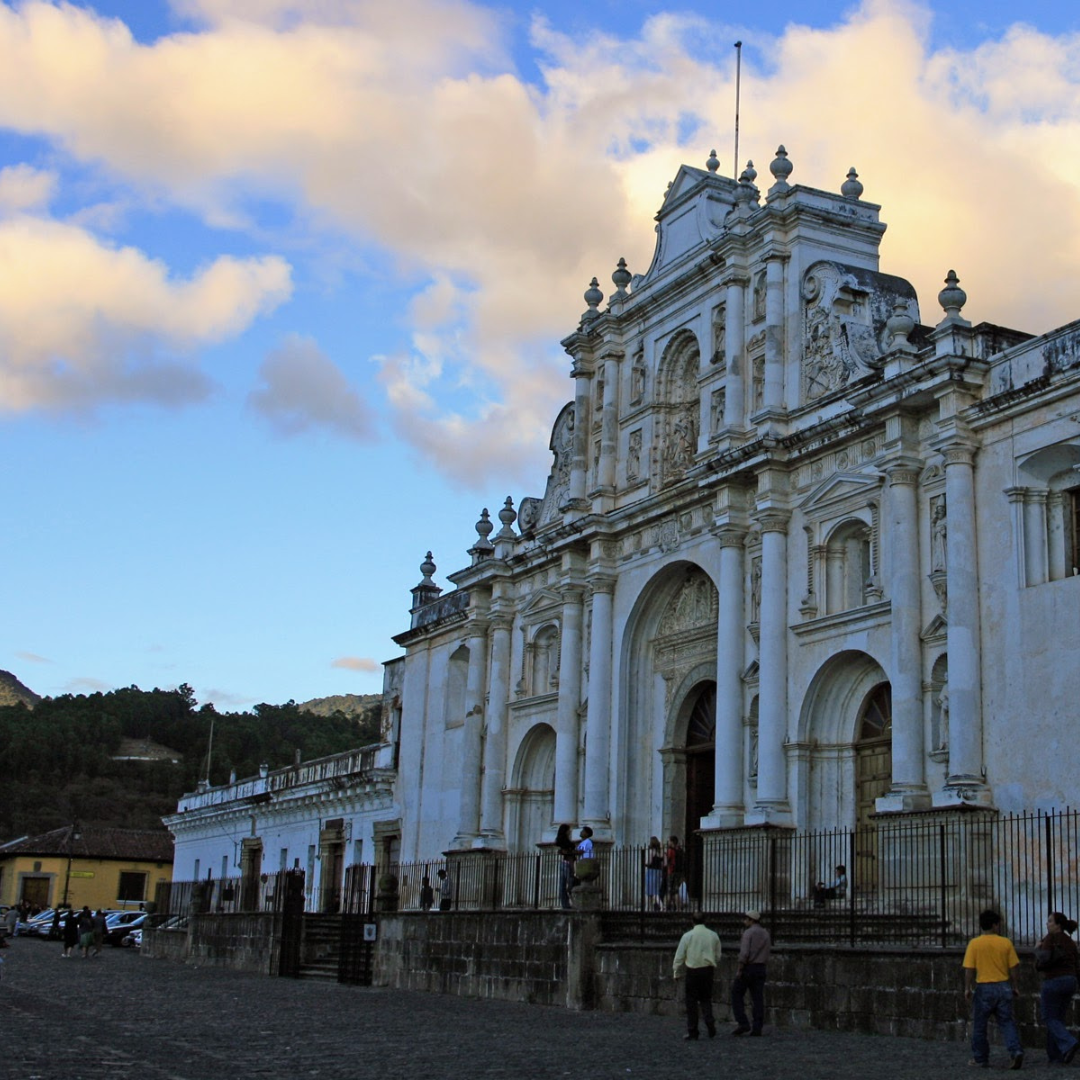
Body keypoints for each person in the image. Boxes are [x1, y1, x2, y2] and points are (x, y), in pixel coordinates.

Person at [963, 908, 1024, 1069]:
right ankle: (1015, 1051)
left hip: (984, 987)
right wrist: (1015, 986)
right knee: (1007, 1022)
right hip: (1003, 986)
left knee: (979, 1025)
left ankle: (980, 1058)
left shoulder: (974, 944)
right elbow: (1014, 967)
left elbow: (969, 969)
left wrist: (967, 988)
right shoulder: (1005, 943)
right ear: (995, 925)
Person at [1034, 911, 1079, 1065]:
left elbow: (1044, 959)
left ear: (1058, 925)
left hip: (1054, 980)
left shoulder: (1051, 938)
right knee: (1057, 1019)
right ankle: (1055, 1056)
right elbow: (1076, 965)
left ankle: (1069, 1043)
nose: (1047, 924)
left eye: (1050, 921)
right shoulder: (1070, 942)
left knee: (1048, 1016)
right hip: (1070, 981)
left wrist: (1037, 949)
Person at [673, 913, 722, 1040]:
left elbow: (680, 955)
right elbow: (718, 955)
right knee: (706, 998)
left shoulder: (687, 936)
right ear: (705, 920)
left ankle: (693, 1030)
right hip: (707, 970)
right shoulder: (713, 935)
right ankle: (709, 1022)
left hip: (693, 970)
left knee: (691, 1001)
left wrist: (676, 971)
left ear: (692, 921)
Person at [731, 909, 771, 1036]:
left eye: (746, 919)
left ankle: (743, 1022)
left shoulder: (748, 933)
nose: (744, 921)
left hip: (748, 968)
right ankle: (757, 1026)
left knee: (736, 994)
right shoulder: (766, 933)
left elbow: (744, 953)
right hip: (760, 967)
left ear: (751, 920)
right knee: (757, 998)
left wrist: (740, 968)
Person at [554, 824, 576, 910]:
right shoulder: (568, 843)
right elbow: (569, 854)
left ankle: (565, 904)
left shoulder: (560, 841)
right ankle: (572, 902)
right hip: (568, 863)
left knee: (562, 885)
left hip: (563, 863)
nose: (570, 831)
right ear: (566, 831)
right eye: (569, 830)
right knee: (571, 884)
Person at [665, 836, 686, 911]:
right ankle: (678, 907)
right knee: (675, 890)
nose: (668, 842)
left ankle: (667, 907)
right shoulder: (680, 850)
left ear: (672, 842)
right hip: (679, 872)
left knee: (670, 891)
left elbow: (666, 862)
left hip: (671, 871)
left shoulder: (670, 850)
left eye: (669, 841)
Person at [645, 838, 664, 911]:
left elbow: (649, 862)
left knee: (649, 891)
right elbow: (662, 862)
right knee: (655, 890)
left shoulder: (651, 851)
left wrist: (645, 863)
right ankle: (653, 907)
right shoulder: (659, 852)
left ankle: (649, 907)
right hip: (658, 872)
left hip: (651, 872)